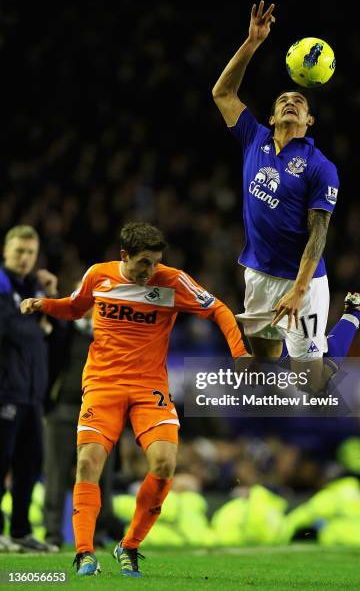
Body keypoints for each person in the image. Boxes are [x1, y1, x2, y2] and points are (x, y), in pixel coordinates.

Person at [20, 222, 248, 577]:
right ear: (124, 256)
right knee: (87, 464)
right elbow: (75, 307)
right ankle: (84, 553)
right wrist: (44, 305)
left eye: (156, 262)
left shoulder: (172, 281)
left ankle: (128, 546)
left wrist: (239, 352)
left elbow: (217, 308)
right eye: (144, 263)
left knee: (164, 465)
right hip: (103, 384)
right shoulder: (99, 275)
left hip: (148, 388)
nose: (150, 271)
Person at [212, 1, 360, 391]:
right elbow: (222, 92)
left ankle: (354, 314)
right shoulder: (253, 138)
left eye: (300, 102)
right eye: (282, 101)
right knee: (264, 356)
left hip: (302, 283)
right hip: (258, 272)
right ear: (272, 118)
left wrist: (299, 289)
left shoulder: (320, 166)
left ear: (309, 120)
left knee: (311, 383)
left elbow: (319, 233)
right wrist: (252, 42)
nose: (291, 102)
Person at [43, 303, 124, 549]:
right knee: (55, 475)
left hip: (101, 413)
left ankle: (97, 536)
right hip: (64, 411)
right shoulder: (62, 329)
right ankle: (53, 536)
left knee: (100, 478)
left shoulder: (113, 333)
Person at [0, 225, 58, 553]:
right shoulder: (2, 284)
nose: (24, 258)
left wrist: (49, 299)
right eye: (19, 251)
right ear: (6, 251)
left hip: (32, 394)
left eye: (30, 253)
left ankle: (20, 530)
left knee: (30, 464)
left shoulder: (33, 288)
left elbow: (55, 334)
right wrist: (40, 324)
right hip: (5, 391)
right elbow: (9, 328)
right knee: (1, 462)